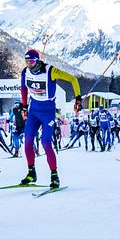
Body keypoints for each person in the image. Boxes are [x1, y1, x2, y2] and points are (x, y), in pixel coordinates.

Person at [18, 49, 80, 189]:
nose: (29, 64)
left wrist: (78, 99)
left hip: (48, 112)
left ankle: (54, 176)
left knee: (46, 142)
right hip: (34, 111)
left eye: (32, 61)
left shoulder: (50, 70)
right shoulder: (25, 72)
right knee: (27, 142)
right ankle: (31, 173)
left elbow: (73, 79)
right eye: (27, 61)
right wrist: (24, 106)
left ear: (38, 61)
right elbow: (23, 88)